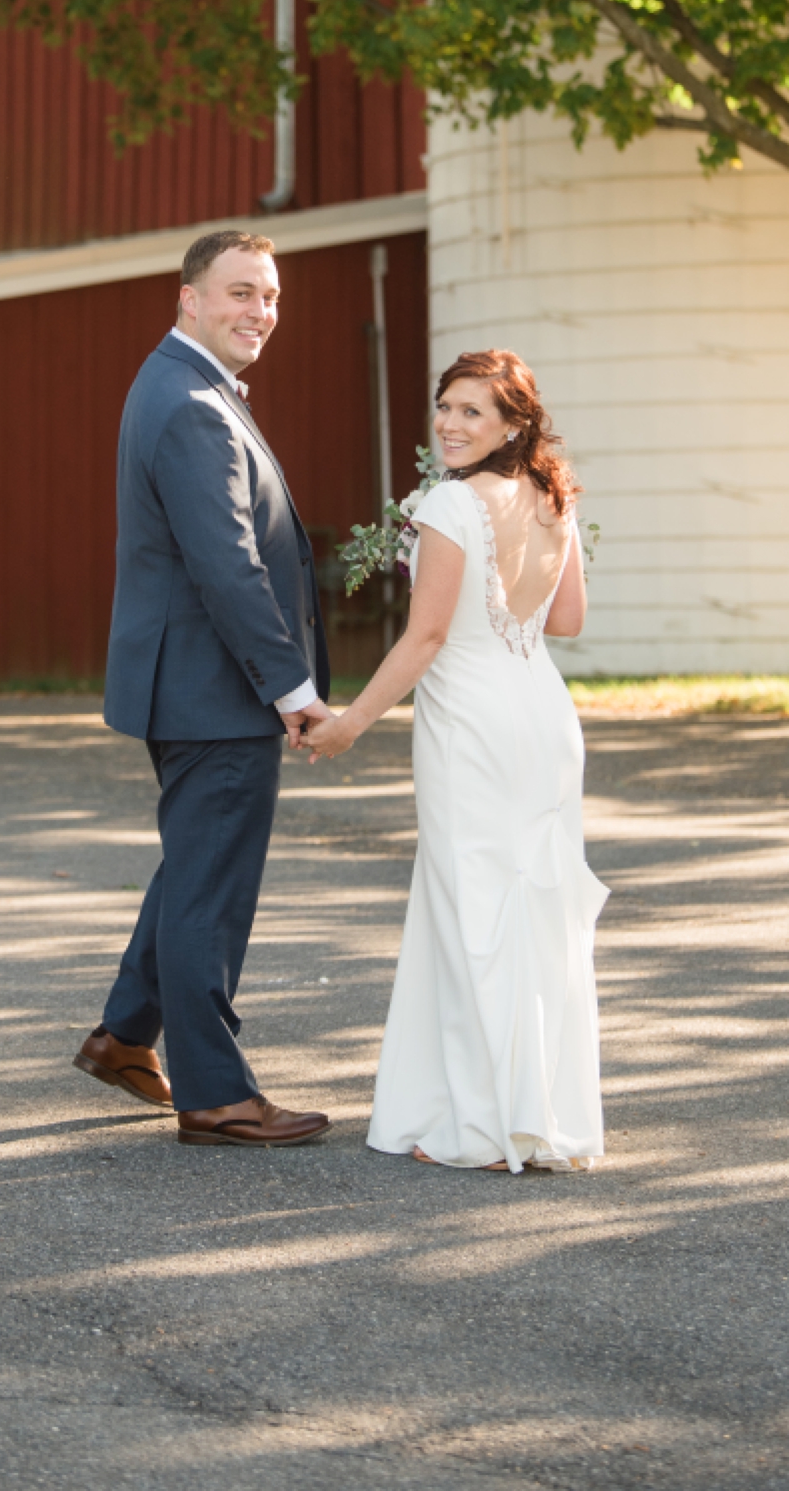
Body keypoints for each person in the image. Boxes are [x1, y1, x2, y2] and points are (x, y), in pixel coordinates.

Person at [301, 348, 607, 1173]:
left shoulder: (447, 501)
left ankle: (479, 1125)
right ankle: (534, 1110)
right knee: (531, 906)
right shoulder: (553, 498)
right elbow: (567, 620)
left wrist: (351, 721)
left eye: (473, 411)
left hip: (473, 723)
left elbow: (427, 635)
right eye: (445, 406)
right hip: (541, 713)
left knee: (475, 907)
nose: (451, 423)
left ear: (513, 424)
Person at [74, 229, 338, 1147]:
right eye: (239, 293)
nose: (259, 311)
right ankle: (216, 1094)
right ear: (188, 298)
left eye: (269, 295)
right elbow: (226, 564)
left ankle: (124, 1035)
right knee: (209, 886)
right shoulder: (189, 401)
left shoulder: (185, 386)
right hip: (212, 687)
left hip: (190, 682)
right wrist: (291, 687)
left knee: (194, 863)